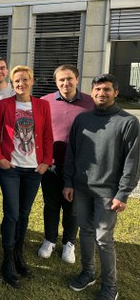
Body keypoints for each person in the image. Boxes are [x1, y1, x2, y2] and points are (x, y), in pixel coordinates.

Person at [63, 74, 139, 300]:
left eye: (106, 90)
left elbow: (132, 162)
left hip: (108, 193)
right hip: (82, 189)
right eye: (97, 89)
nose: (101, 93)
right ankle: (88, 273)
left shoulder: (128, 122)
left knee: (103, 238)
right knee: (85, 232)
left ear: (115, 92)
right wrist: (68, 181)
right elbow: (72, 153)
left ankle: (110, 286)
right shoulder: (82, 120)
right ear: (92, 91)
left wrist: (123, 193)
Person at [0, 65, 53, 288]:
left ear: (32, 81)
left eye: (25, 80)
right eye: (17, 81)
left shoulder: (42, 105)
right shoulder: (4, 105)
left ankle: (19, 254)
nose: (21, 84)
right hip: (10, 168)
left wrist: (46, 161)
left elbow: (48, 135)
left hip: (33, 170)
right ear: (12, 83)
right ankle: (7, 259)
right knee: (11, 213)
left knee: (25, 213)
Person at [38, 65, 94, 263]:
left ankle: (69, 242)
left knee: (72, 206)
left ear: (77, 79)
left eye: (69, 78)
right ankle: (49, 239)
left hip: (79, 166)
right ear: (56, 82)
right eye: (61, 80)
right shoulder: (45, 102)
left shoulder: (90, 102)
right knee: (51, 204)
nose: (65, 83)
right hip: (51, 164)